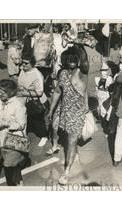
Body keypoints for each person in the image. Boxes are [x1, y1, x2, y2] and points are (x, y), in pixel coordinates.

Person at [48, 46, 89, 185]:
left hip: (77, 112)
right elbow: (58, 92)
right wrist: (51, 110)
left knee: (71, 141)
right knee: (67, 137)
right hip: (65, 110)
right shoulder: (63, 73)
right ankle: (74, 153)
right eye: (69, 58)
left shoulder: (82, 73)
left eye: (75, 58)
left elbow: (84, 89)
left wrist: (86, 106)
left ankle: (66, 172)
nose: (71, 61)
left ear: (79, 60)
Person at [0, 79, 27, 186]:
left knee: (8, 167)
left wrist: (6, 124)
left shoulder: (18, 105)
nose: (0, 93)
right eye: (0, 91)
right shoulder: (2, 101)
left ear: (10, 92)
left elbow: (21, 124)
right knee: (13, 166)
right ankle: (19, 182)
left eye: (3, 91)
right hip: (3, 138)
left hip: (14, 140)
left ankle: (11, 188)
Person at [17, 55, 49, 147]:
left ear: (32, 64)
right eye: (22, 62)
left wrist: (24, 93)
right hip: (25, 100)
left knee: (38, 121)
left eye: (26, 63)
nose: (23, 65)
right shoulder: (23, 70)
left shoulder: (37, 75)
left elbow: (39, 93)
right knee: (27, 117)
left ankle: (44, 136)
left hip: (36, 102)